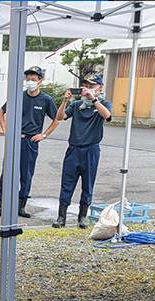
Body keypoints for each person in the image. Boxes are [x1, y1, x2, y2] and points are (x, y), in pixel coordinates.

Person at [0, 66, 59, 219]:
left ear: (40, 81)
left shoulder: (46, 100)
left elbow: (57, 118)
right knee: (7, 171)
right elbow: (1, 112)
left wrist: (44, 134)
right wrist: (6, 130)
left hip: (30, 141)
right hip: (15, 138)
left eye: (34, 79)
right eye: (28, 79)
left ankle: (21, 206)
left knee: (26, 174)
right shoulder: (18, 96)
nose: (30, 82)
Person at [52, 73, 112, 228]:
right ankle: (61, 217)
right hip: (74, 149)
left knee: (88, 184)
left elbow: (107, 116)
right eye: (85, 86)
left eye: (91, 86)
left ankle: (82, 217)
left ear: (99, 88)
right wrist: (65, 100)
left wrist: (94, 99)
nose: (87, 89)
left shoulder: (103, 103)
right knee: (67, 183)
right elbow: (59, 117)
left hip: (91, 149)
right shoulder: (77, 105)